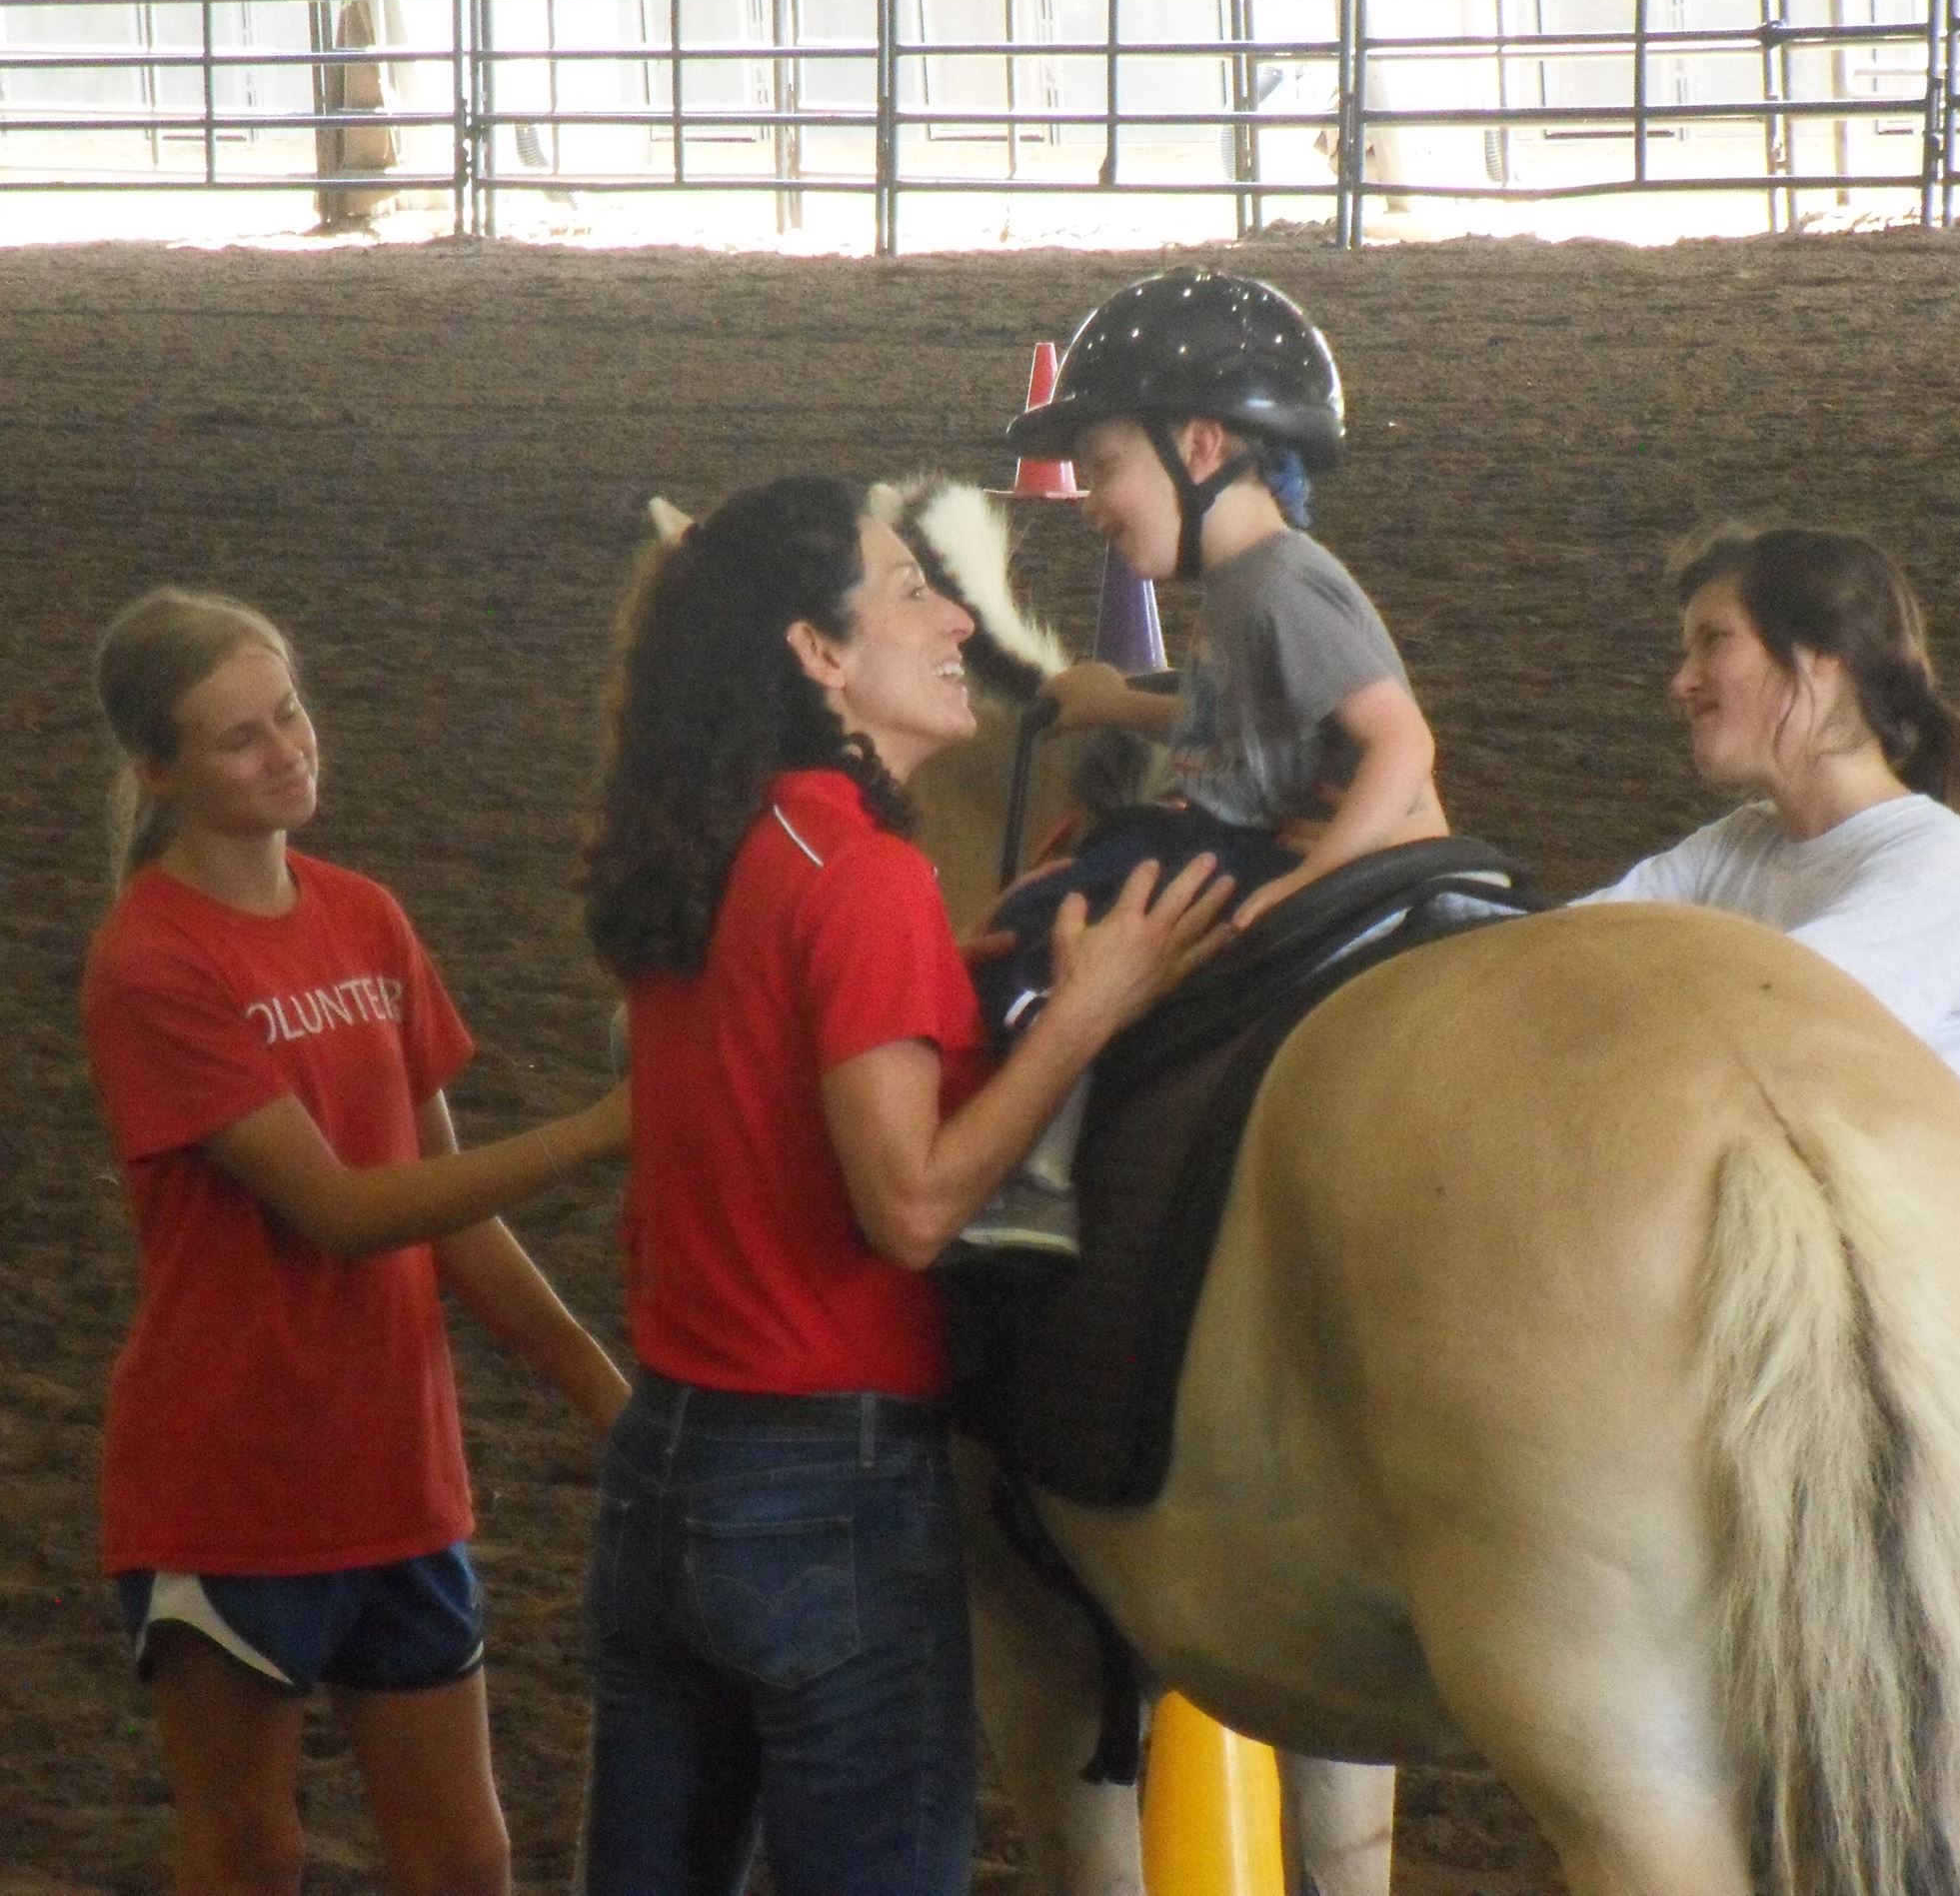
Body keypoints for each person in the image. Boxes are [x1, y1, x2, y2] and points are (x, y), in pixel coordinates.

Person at [572, 475, 1231, 1896]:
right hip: (825, 1491)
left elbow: (771, 1068)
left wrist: (943, 982)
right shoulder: (860, 881)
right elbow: (913, 1207)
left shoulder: (711, 847)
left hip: (665, 1469)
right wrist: (1087, 1008)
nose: (951, 619)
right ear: (818, 656)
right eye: (908, 591)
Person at [81, 587, 633, 1896]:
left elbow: (442, 1198)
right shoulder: (151, 962)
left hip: (399, 1470)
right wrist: (604, 1127)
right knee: (252, 1849)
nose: (288, 749)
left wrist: (592, 1376)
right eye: (239, 739)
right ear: (157, 770)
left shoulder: (365, 914)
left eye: (290, 712)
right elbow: (339, 1208)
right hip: (234, 1482)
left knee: (466, 1860)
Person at [1582, 523, 1960, 1896]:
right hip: (1806, 1399)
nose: (1683, 678)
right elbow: (1573, 961)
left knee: (1948, 1849)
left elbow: (1737, 1023)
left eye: (1713, 644)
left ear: (1812, 674)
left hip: (1922, 1422)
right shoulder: (1741, 850)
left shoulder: (1933, 867)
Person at [965, 268, 1453, 1251]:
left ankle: (1035, 1170)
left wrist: (1314, 879)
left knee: (1044, 928)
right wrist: (1113, 698)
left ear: (1199, 446)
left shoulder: (1281, 585)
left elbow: (1400, 738)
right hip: (1228, 826)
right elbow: (1234, 717)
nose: (1091, 500)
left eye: (1102, 467)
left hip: (1247, 849)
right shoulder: (1245, 583)